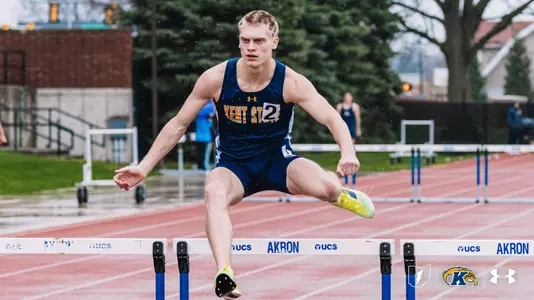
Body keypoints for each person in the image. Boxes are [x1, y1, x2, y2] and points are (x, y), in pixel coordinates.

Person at [113, 10, 375, 299]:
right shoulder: (215, 78)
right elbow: (178, 124)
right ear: (238, 42)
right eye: (245, 40)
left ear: (274, 42)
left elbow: (331, 117)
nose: (251, 47)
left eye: (259, 41)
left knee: (325, 188)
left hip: (279, 161)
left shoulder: (291, 82)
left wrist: (347, 152)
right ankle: (224, 272)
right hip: (233, 166)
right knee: (213, 190)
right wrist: (145, 167)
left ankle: (340, 193)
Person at [336, 92, 361, 185]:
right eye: (346, 97)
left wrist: (358, 129)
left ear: (351, 98)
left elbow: (358, 118)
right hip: (343, 130)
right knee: (344, 152)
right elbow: (336, 119)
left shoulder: (354, 107)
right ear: (344, 98)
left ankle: (353, 178)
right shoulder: (340, 106)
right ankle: (346, 178)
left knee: (351, 151)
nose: (348, 98)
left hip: (351, 130)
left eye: (349, 97)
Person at [195, 100, 215, 170]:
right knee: (206, 154)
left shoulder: (199, 112)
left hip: (199, 137)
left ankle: (201, 166)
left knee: (201, 154)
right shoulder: (208, 110)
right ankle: (206, 168)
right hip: (207, 137)